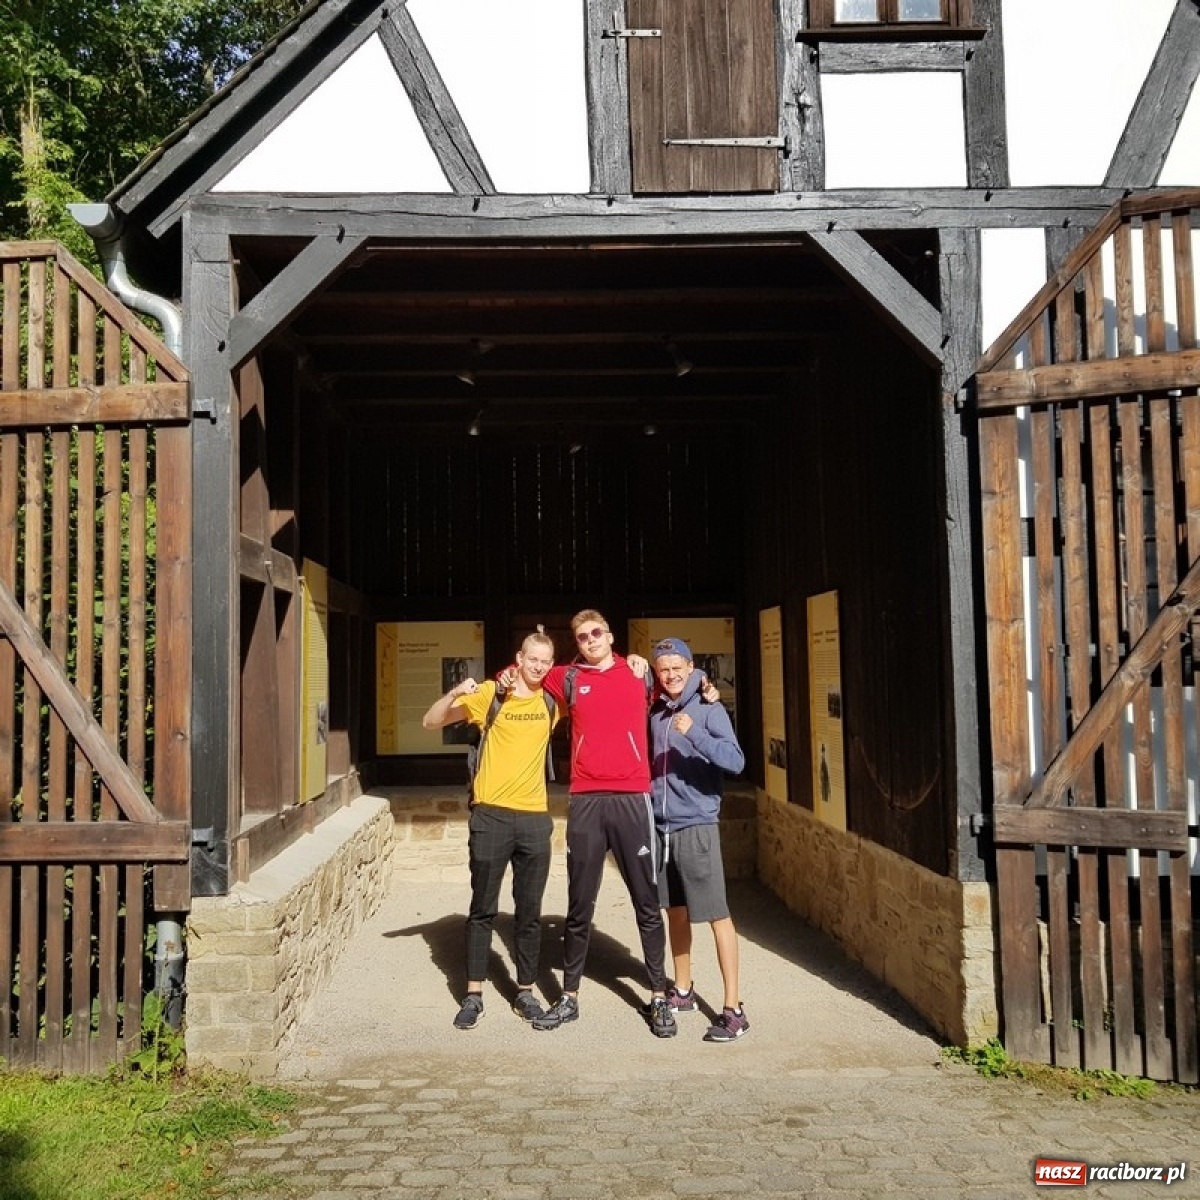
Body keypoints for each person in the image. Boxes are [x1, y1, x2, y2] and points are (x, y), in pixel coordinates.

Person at [516, 609, 678, 1038]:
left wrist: (710, 693)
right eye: (582, 635)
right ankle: (569, 997)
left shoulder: (638, 674)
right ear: (578, 642)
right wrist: (497, 679)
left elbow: (681, 684)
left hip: (632, 797)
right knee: (579, 904)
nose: (590, 639)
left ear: (609, 634)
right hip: (586, 799)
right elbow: (526, 673)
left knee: (646, 901)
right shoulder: (568, 677)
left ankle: (659, 997)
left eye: (596, 632)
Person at [421, 628, 558, 1030]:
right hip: (491, 815)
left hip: (534, 817)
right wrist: (454, 692)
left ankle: (526, 991)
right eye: (533, 659)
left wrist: (634, 666)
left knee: (529, 913)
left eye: (546, 661)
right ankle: (474, 994)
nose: (538, 666)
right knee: (483, 909)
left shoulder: (553, 700)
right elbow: (431, 722)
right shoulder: (490, 694)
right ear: (520, 657)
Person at [648, 636, 749, 1042]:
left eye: (678, 667)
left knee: (717, 915)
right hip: (661, 826)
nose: (671, 674)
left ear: (691, 668)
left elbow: (736, 761)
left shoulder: (709, 708)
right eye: (663, 668)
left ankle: (734, 1009)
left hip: (697, 824)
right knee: (674, 910)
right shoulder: (655, 711)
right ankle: (684, 989)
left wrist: (696, 735)